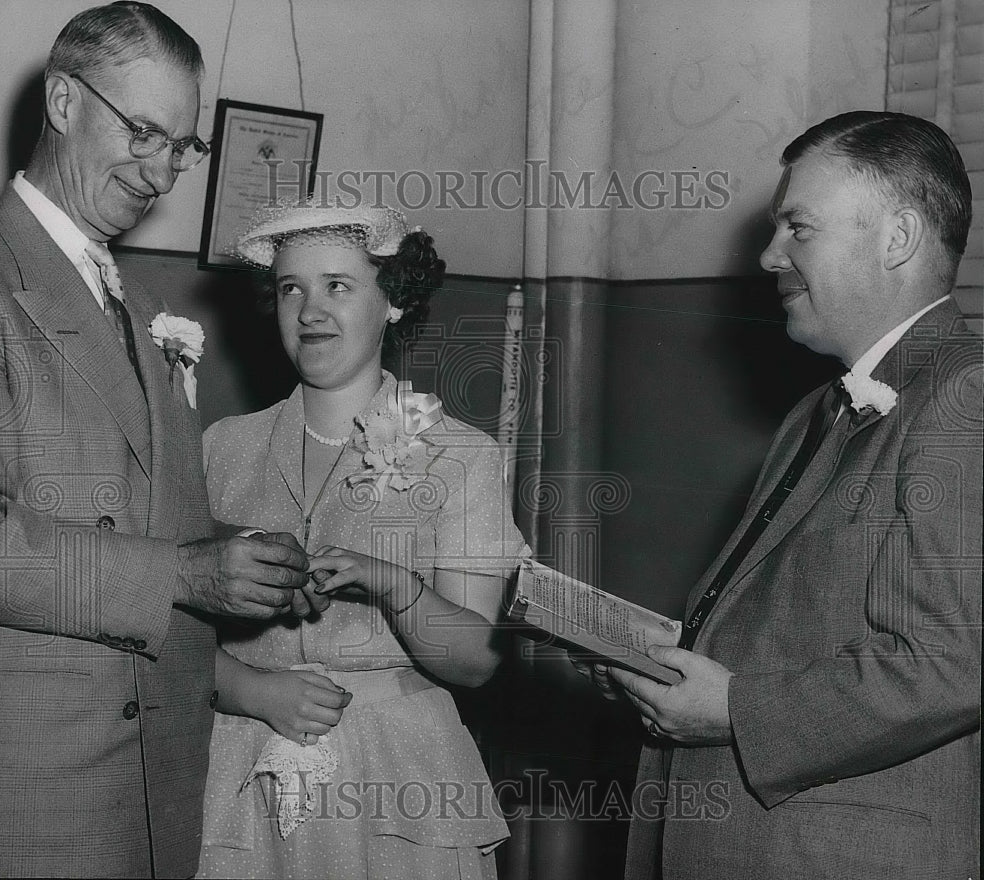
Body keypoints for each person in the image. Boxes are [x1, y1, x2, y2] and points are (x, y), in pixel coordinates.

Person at [580, 111, 981, 879]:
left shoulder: (966, 395)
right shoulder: (817, 411)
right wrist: (669, 663)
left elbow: (957, 658)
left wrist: (732, 709)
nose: (770, 256)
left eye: (799, 227)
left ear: (896, 239)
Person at [0, 4, 317, 877]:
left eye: (181, 146)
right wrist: (182, 573)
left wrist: (228, 557)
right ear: (62, 102)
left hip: (155, 789)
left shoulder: (127, 299)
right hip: (32, 796)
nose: (163, 172)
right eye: (143, 132)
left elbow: (132, 506)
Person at [196, 202, 526, 880]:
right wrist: (250, 688)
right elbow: (169, 633)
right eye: (293, 289)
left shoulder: (459, 456)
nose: (310, 310)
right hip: (240, 773)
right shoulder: (223, 447)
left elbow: (474, 661)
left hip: (400, 787)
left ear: (394, 302)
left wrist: (392, 582)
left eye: (337, 286)